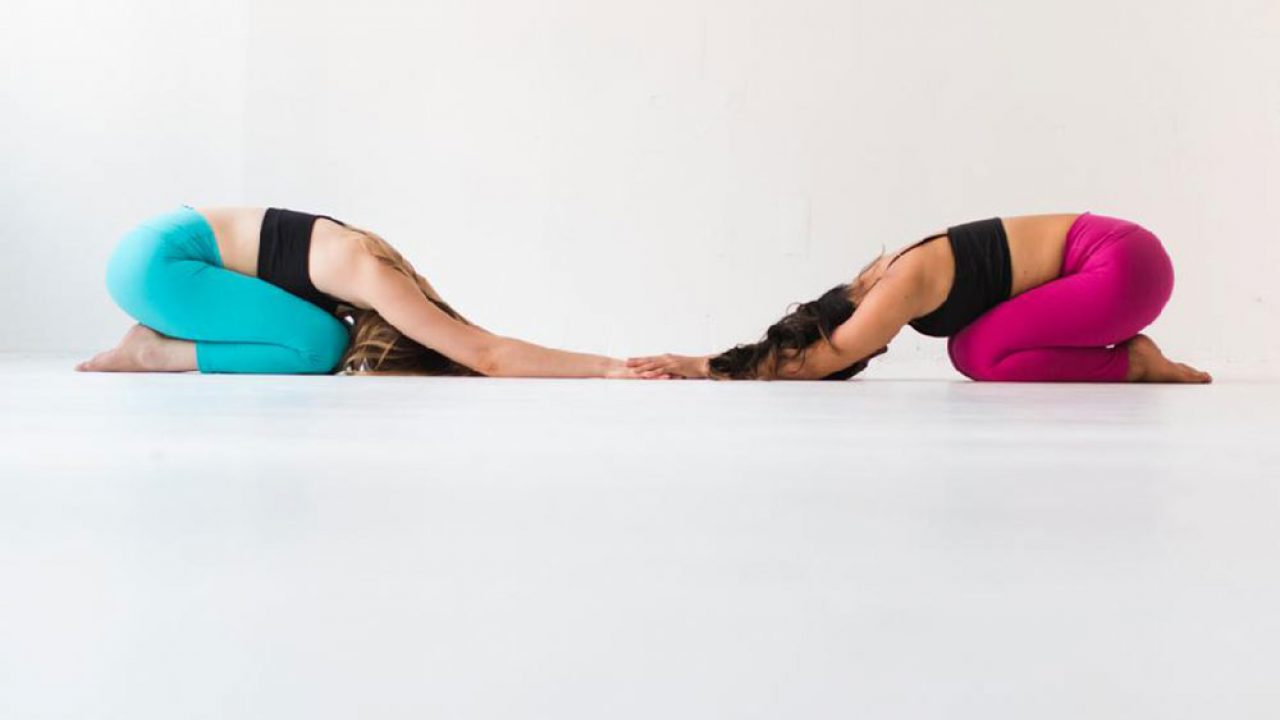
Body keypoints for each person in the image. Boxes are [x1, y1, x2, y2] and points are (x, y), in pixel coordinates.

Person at [628, 213, 1211, 383]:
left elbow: (817, 358)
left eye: (863, 347)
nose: (872, 351)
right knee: (972, 348)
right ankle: (1133, 361)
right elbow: (825, 344)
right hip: (1127, 256)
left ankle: (1133, 363)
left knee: (975, 354)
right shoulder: (882, 274)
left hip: (1121, 269)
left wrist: (704, 365)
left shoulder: (893, 288)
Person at [78, 206, 638, 377]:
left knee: (317, 336)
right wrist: (607, 366)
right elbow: (483, 353)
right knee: (320, 345)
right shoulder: (372, 277)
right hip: (160, 266)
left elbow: (471, 339)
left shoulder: (372, 264)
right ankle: (153, 353)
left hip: (154, 257)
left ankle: (158, 341)